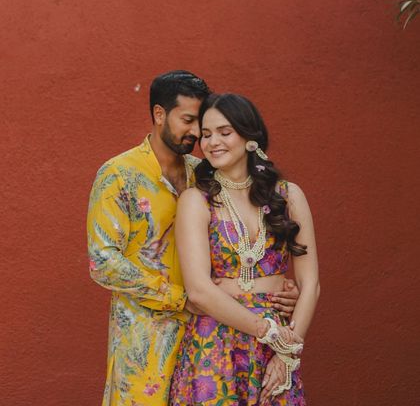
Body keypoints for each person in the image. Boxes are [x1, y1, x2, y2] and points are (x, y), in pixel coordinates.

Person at [87, 72, 299, 406]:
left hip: (212, 336)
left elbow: (243, 239)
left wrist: (276, 286)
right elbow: (102, 263)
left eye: (198, 123)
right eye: (187, 120)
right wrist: (181, 298)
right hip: (146, 341)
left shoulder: (205, 172)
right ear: (159, 115)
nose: (196, 133)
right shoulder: (118, 175)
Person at [170, 93, 320, 405]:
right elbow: (198, 290)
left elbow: (310, 285)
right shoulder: (196, 201)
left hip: (278, 347)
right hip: (214, 343)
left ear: (250, 137)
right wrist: (268, 331)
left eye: (225, 132)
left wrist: (288, 353)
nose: (212, 143)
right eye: (207, 135)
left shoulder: (288, 196)